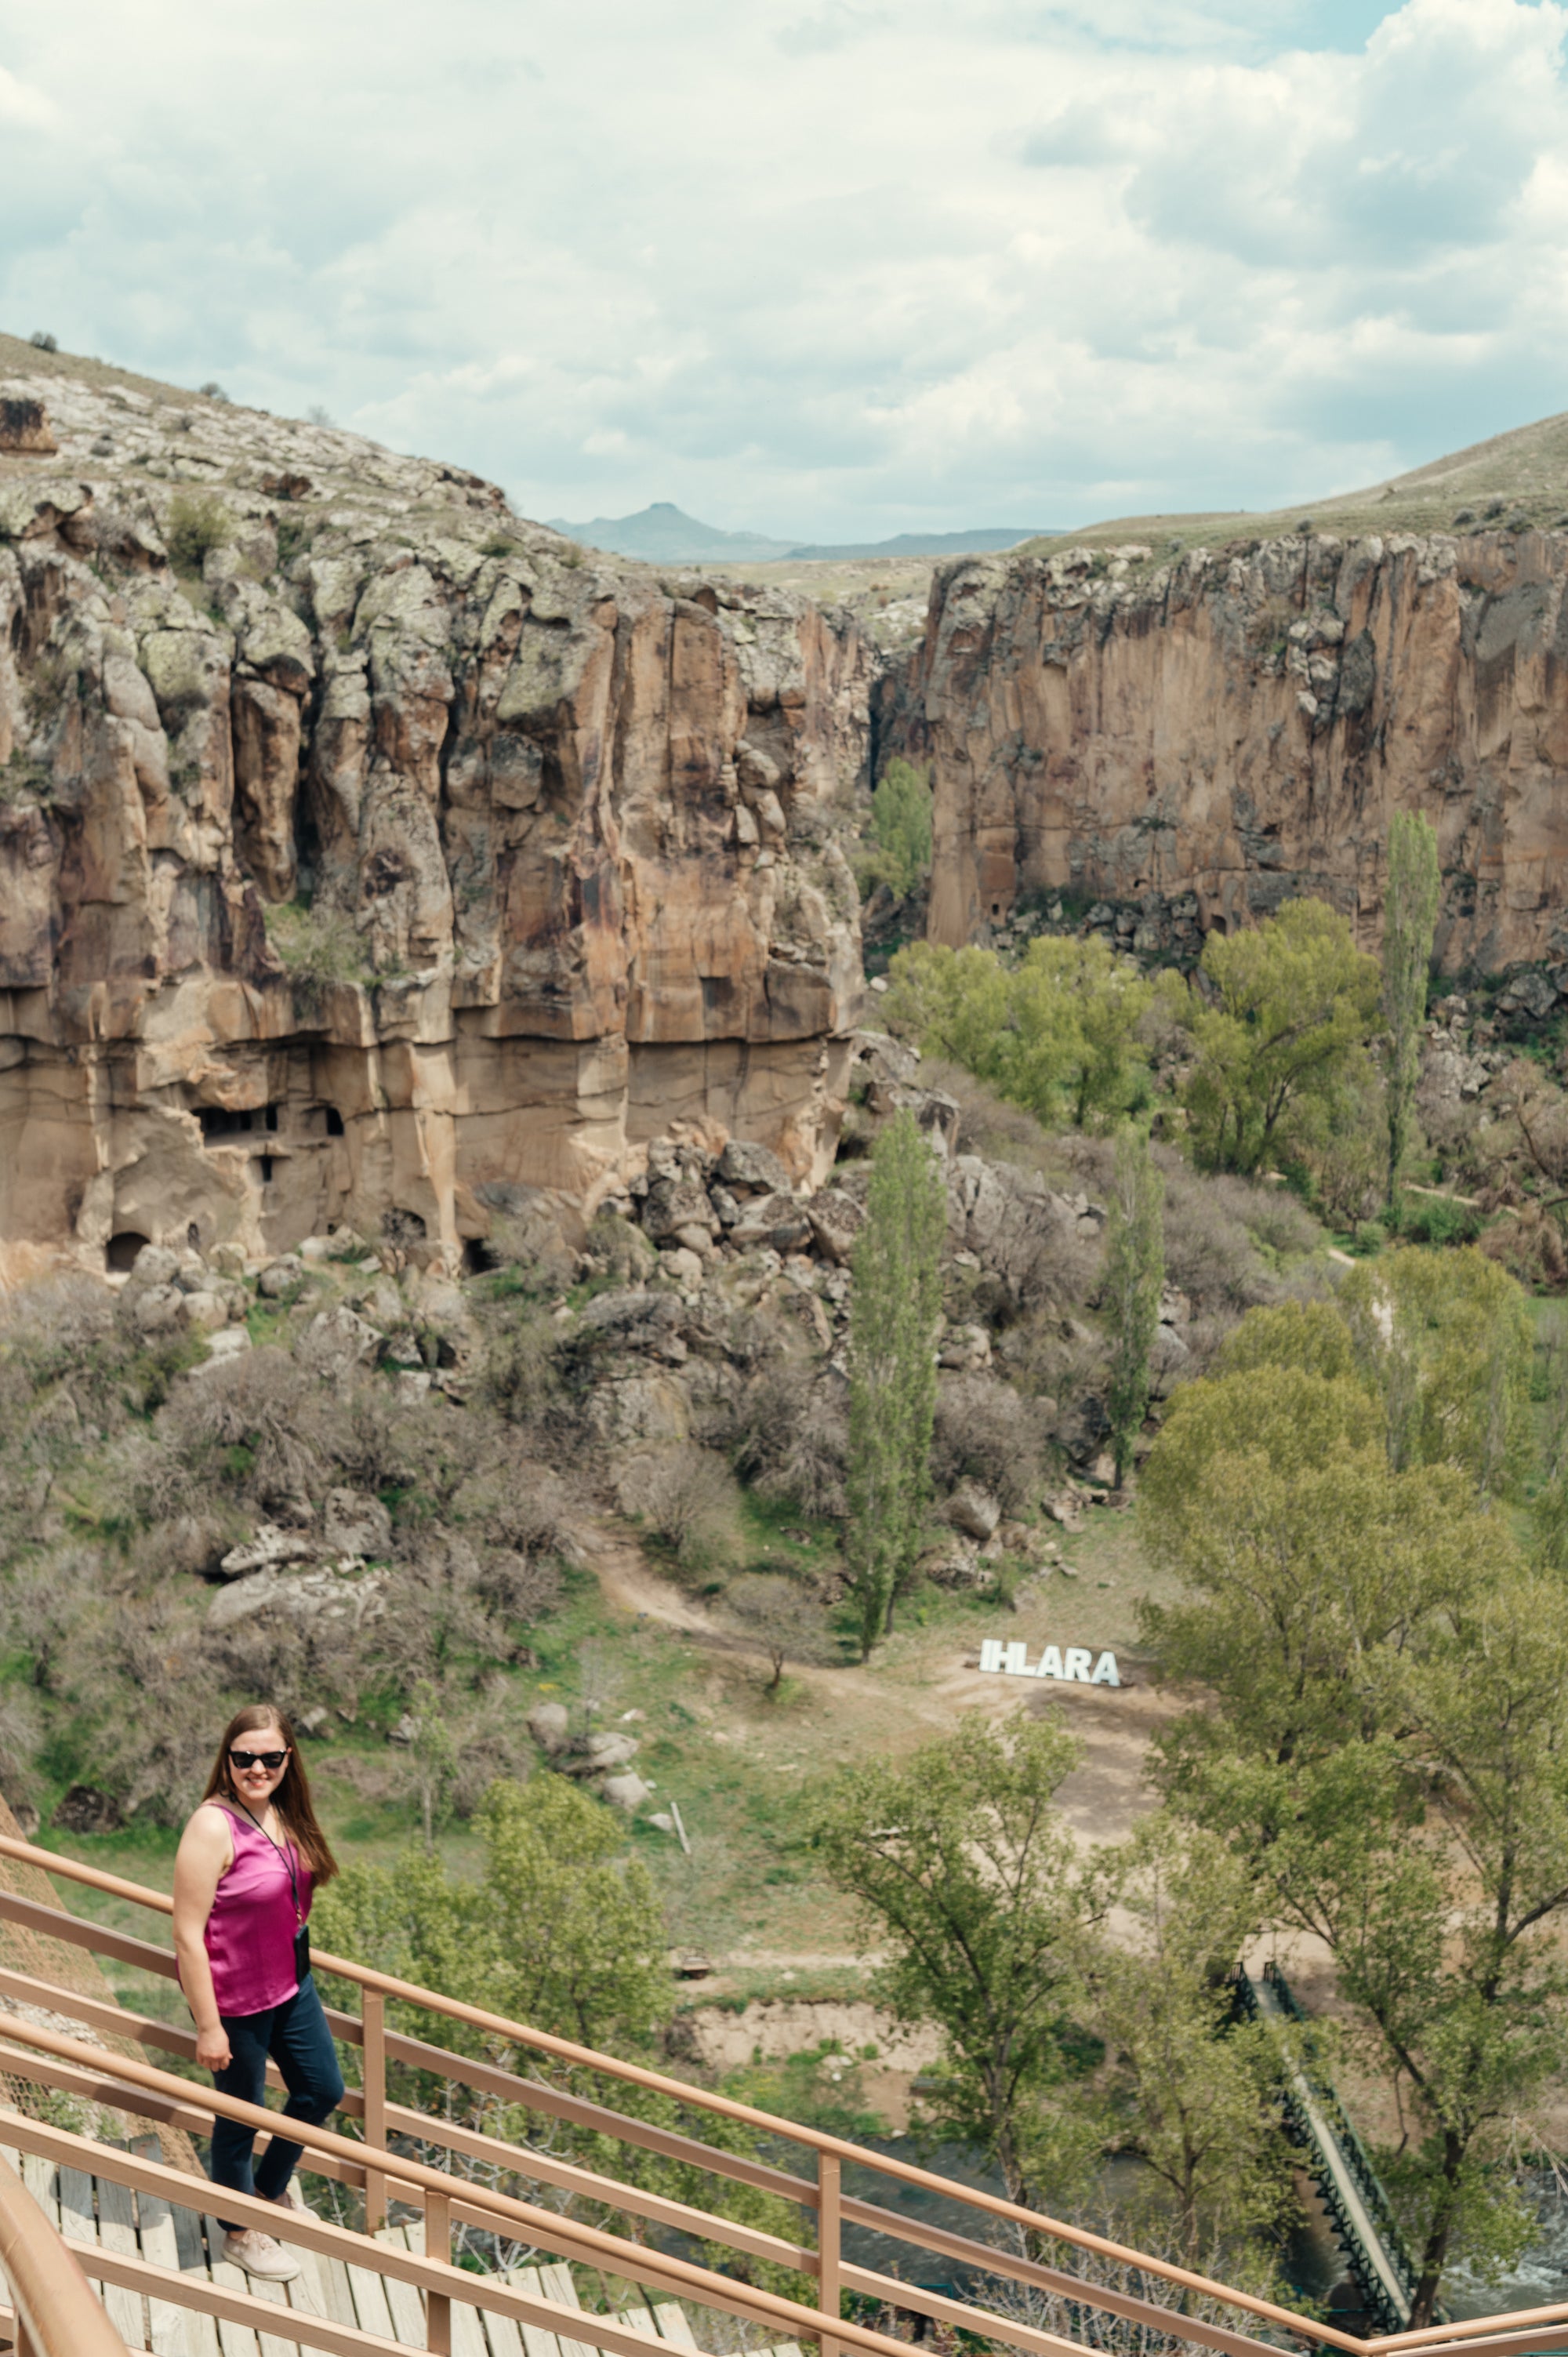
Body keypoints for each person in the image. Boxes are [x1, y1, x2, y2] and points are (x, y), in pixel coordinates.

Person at [172, 1705, 345, 2282]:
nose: (256, 1768)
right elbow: (187, 1934)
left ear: (287, 1759)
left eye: (270, 1758)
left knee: (321, 2090)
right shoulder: (212, 1825)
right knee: (239, 2119)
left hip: (292, 1988)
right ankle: (240, 2233)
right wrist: (208, 2025)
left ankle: (264, 2193)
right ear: (228, 1759)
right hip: (237, 2004)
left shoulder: (285, 1813)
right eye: (244, 1758)